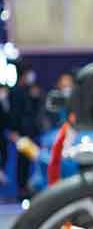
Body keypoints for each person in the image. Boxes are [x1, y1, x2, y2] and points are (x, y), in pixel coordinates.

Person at [8, 66, 46, 199]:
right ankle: (22, 190)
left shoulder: (32, 90)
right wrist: (14, 131)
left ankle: (33, 188)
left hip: (33, 132)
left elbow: (36, 110)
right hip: (21, 132)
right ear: (23, 75)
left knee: (36, 160)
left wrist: (36, 97)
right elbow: (14, 113)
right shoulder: (15, 91)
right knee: (22, 162)